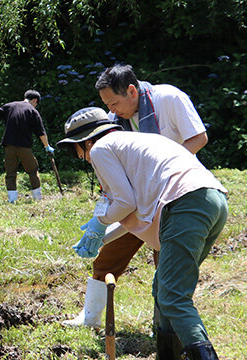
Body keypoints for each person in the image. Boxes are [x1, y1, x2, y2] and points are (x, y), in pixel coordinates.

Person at [57, 106, 235, 360]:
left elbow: (123, 202)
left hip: (187, 204)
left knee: (173, 296)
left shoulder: (101, 148)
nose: (81, 158)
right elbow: (132, 211)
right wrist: (99, 236)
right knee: (162, 287)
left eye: (75, 151)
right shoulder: (132, 144)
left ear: (85, 141)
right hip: (210, 201)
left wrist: (98, 222)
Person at [63, 64, 209, 333]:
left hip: (172, 198)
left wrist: (160, 176)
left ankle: (163, 327)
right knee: (107, 257)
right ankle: (91, 315)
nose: (112, 110)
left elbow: (198, 138)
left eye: (115, 102)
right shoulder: (113, 120)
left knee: (164, 267)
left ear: (132, 90)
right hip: (132, 198)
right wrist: (101, 229)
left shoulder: (168, 98)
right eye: (107, 104)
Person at [0, 90, 54, 203]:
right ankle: (38, 198)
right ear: (35, 100)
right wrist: (47, 146)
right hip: (24, 147)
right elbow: (41, 132)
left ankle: (12, 200)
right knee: (32, 171)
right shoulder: (33, 111)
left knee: (10, 173)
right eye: (36, 103)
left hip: (9, 146)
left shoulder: (10, 106)